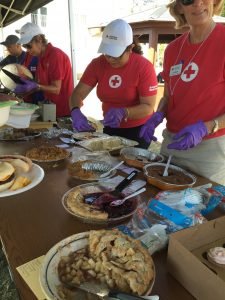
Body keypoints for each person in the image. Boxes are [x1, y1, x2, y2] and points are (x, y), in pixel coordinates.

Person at [139, 0, 225, 184]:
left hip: (210, 151)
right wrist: (158, 114)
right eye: (189, 0)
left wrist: (207, 126)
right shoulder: (172, 49)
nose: (198, 4)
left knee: (204, 210)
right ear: (179, 7)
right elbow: (169, 95)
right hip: (173, 144)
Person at [70, 19, 158, 149]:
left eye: (116, 55)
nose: (110, 59)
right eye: (107, 54)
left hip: (138, 130)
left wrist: (125, 112)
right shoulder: (97, 64)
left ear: (130, 48)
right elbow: (77, 93)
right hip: (110, 127)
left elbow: (148, 107)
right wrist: (75, 110)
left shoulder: (144, 67)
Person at [14, 23, 74, 117]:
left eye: (29, 46)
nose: (28, 50)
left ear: (39, 39)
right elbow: (38, 83)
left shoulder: (55, 55)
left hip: (63, 112)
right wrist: (24, 92)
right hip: (49, 110)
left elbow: (56, 89)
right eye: (25, 47)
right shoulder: (41, 57)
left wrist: (35, 86)